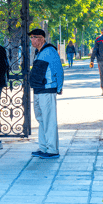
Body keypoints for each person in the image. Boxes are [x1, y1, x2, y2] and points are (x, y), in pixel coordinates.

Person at [28, 29, 64, 159]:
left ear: (42, 38)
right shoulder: (39, 52)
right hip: (38, 89)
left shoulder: (50, 51)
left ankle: (53, 150)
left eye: (34, 37)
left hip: (47, 90)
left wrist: (59, 86)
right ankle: (43, 147)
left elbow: (58, 69)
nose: (32, 40)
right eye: (31, 37)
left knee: (49, 120)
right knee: (41, 119)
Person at [90, 27, 103, 96]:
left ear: (101, 32)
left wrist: (92, 60)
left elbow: (94, 50)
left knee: (102, 75)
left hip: (100, 60)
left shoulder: (98, 40)